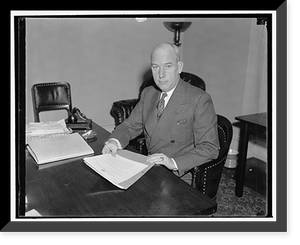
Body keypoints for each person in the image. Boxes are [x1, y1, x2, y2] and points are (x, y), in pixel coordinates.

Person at [102, 42, 220, 183]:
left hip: (179, 175)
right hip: (150, 166)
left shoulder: (199, 99)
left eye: (168, 66)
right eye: (155, 67)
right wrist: (114, 142)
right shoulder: (148, 93)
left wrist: (173, 162)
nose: (161, 75)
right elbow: (130, 125)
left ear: (179, 67)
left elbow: (210, 148)